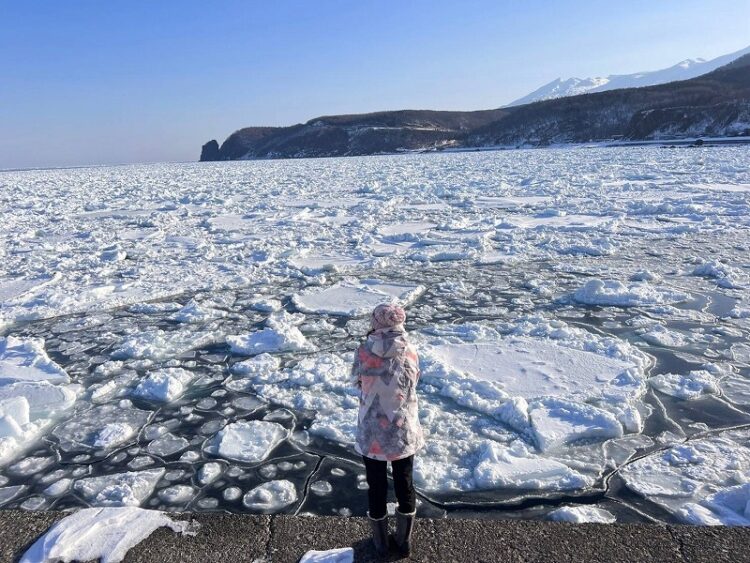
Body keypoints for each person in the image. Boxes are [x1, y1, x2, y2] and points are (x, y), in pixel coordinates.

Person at [351, 303, 424, 557]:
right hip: (402, 429)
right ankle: (404, 542)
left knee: (376, 485)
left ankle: (381, 544)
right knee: (405, 483)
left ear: (376, 322)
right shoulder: (411, 350)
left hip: (373, 432)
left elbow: (356, 380)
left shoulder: (363, 351)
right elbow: (415, 380)